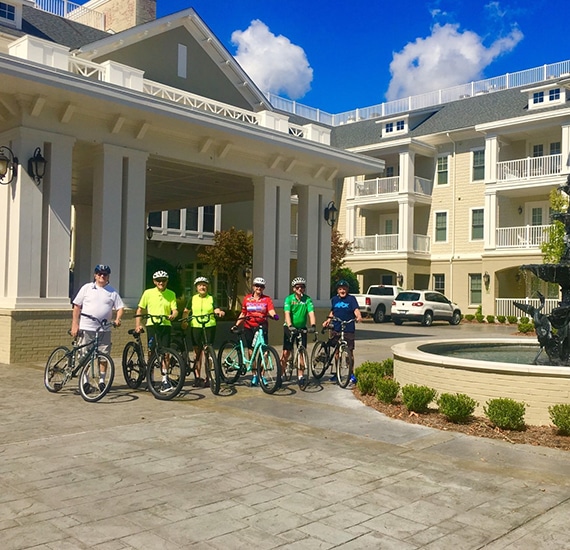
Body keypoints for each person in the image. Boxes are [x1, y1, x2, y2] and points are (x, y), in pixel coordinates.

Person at [71, 264, 124, 393]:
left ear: (108, 277)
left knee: (103, 355)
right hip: (87, 327)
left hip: (104, 330)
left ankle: (101, 381)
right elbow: (77, 306)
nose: (102, 276)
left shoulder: (112, 292)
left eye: (105, 274)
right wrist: (75, 324)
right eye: (99, 274)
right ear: (95, 275)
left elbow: (120, 308)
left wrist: (117, 319)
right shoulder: (87, 288)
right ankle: (85, 381)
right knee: (85, 356)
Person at [135, 270, 178, 392]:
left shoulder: (171, 294)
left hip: (165, 325)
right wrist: (138, 325)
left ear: (166, 281)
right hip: (152, 325)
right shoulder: (148, 293)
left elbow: (175, 309)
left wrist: (173, 315)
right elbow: (140, 310)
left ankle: (165, 380)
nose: (161, 283)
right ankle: (151, 378)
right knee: (151, 351)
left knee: (166, 353)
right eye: (158, 281)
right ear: (154, 282)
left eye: (163, 281)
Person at [232, 276, 278, 386]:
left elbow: (271, 310)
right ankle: (254, 375)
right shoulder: (247, 299)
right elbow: (243, 313)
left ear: (264, 288)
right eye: (257, 285)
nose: (259, 288)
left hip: (262, 326)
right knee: (251, 351)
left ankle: (262, 375)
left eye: (261, 286)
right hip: (249, 326)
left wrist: (274, 315)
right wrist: (236, 324)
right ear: (253, 287)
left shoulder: (267, 299)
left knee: (265, 352)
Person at [181, 276, 225, 387]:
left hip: (209, 326)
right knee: (197, 352)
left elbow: (216, 308)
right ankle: (197, 377)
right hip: (196, 326)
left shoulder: (211, 298)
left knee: (208, 351)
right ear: (196, 287)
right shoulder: (193, 298)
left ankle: (208, 377)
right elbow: (186, 311)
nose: (202, 287)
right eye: (200, 285)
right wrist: (185, 321)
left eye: (204, 285)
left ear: (207, 287)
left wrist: (219, 312)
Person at [323, 279, 362, 384]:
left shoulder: (351, 299)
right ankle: (337, 372)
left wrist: (358, 316)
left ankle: (351, 373)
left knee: (349, 352)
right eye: (340, 289)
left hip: (348, 328)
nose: (342, 290)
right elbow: (333, 311)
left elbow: (356, 310)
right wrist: (328, 320)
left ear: (347, 289)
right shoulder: (334, 299)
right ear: (337, 290)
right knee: (337, 352)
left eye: (344, 288)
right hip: (336, 328)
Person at [280, 277, 316, 387]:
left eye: (302, 287)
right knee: (286, 352)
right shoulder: (289, 299)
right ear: (294, 289)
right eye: (297, 287)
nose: (300, 288)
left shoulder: (307, 299)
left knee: (302, 352)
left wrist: (313, 325)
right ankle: (280, 375)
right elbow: (287, 313)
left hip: (301, 328)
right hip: (289, 327)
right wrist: (290, 325)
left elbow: (311, 313)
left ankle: (300, 376)